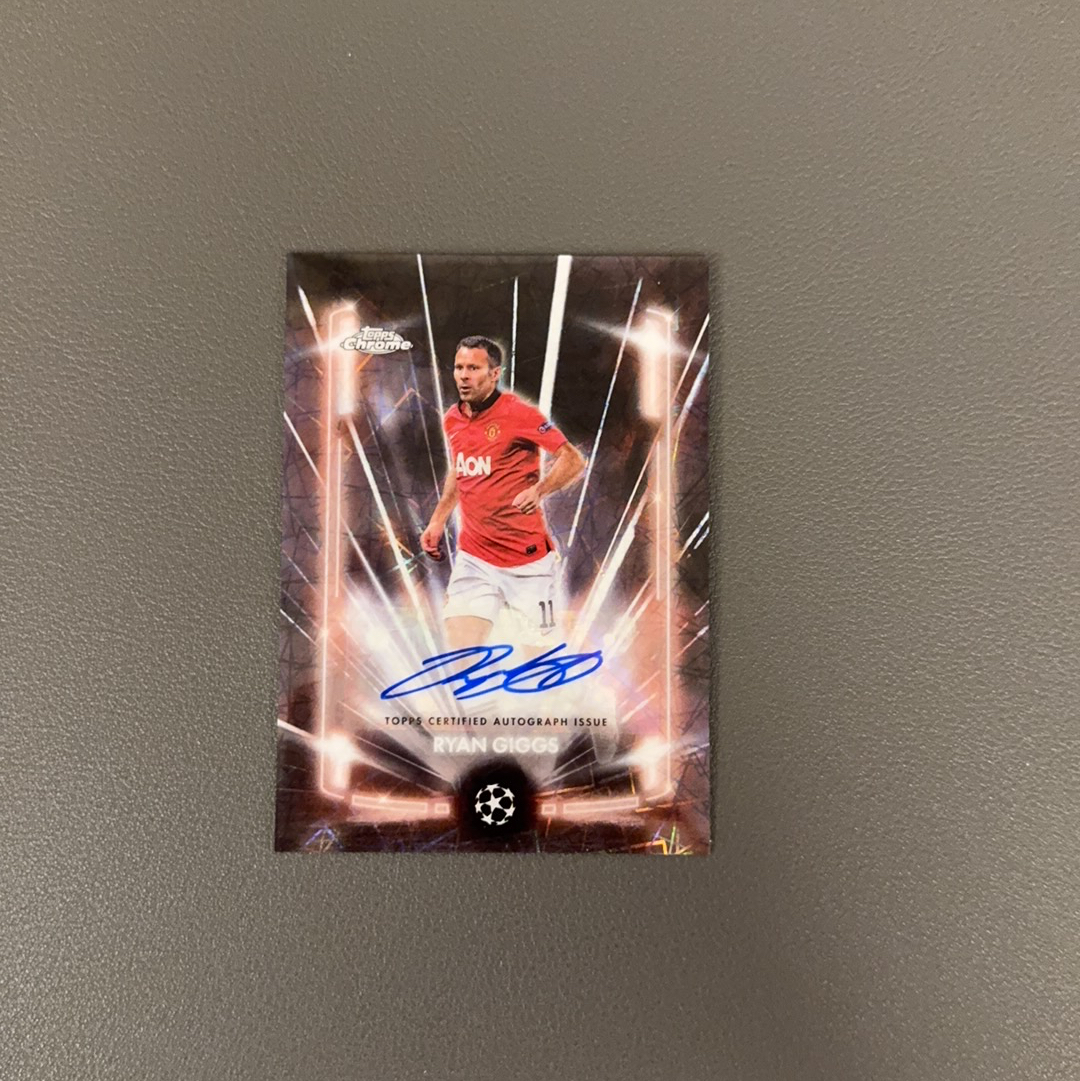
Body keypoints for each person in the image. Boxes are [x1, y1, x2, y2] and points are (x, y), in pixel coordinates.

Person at [421, 335, 586, 650]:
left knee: (538, 663)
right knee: (459, 652)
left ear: (494, 373)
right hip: (474, 558)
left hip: (527, 562)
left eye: (473, 368)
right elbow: (460, 468)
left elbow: (573, 459)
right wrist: (438, 519)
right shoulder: (452, 419)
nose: (464, 376)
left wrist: (540, 490)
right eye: (459, 367)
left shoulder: (519, 414)